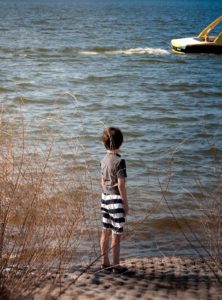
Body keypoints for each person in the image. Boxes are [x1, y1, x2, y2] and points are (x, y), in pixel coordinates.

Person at [100, 127, 129, 273]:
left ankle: (105, 262)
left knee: (105, 230)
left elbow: (102, 181)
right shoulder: (120, 161)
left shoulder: (103, 160)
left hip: (104, 197)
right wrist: (125, 203)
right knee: (116, 234)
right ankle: (116, 266)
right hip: (115, 198)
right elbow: (121, 185)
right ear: (121, 143)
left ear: (103, 144)